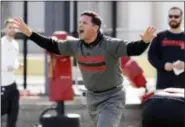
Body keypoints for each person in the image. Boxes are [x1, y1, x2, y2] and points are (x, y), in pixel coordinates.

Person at [12, 11, 156, 127]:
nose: (80, 25)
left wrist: (145, 41)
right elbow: (51, 45)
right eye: (79, 22)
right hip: (92, 98)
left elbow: (134, 49)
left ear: (95, 28)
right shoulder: (75, 46)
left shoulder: (111, 45)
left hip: (113, 97)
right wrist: (30, 33)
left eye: (84, 23)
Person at [142, 7, 185, 127]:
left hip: (182, 88)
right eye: (170, 16)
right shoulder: (160, 36)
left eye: (176, 16)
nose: (173, 19)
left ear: (181, 18)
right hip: (163, 86)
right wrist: (163, 65)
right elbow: (151, 56)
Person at [1, 18, 22, 127]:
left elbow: (14, 60)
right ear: (5, 29)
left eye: (14, 27)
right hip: (2, 85)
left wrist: (18, 64)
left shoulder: (15, 44)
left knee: (14, 113)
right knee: (3, 109)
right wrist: (12, 67)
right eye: (10, 27)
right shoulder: (1, 43)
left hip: (12, 84)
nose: (12, 29)